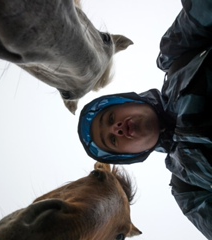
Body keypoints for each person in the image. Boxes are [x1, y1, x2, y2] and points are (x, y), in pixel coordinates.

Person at [78, 0, 212, 239]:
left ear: (129, 101)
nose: (117, 129)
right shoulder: (188, 188)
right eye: (112, 141)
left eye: (110, 118)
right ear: (132, 155)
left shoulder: (176, 54)